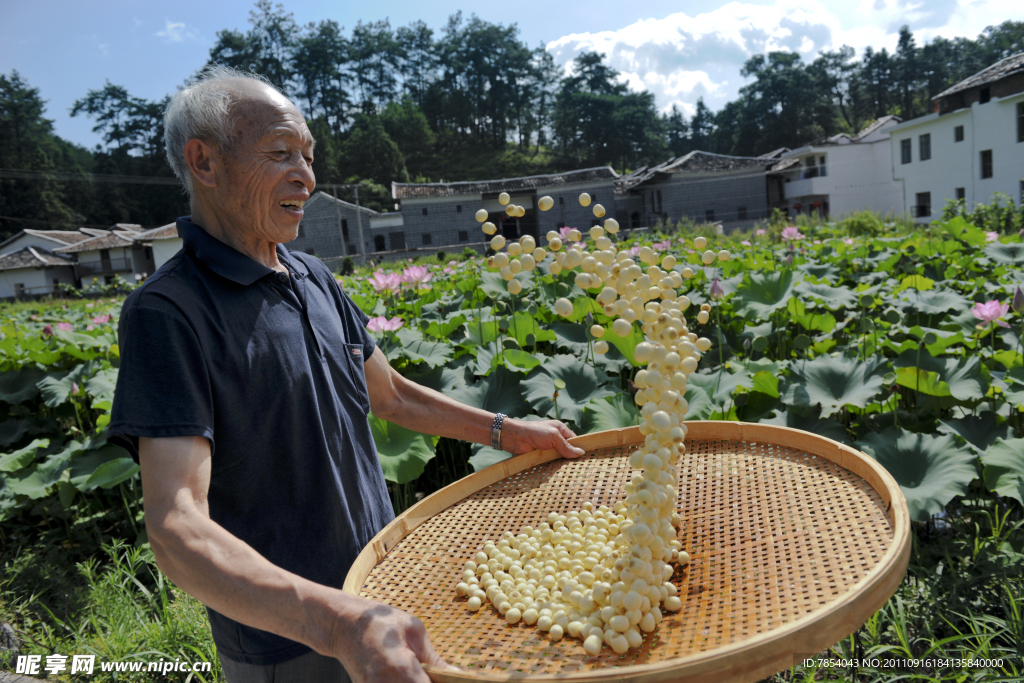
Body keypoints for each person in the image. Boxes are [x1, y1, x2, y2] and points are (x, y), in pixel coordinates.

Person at [106, 66, 585, 683]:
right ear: (204, 161)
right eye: (281, 154)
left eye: (308, 156)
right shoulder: (169, 312)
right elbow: (176, 527)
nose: (306, 176)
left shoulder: (311, 277)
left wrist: (506, 430)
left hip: (381, 592)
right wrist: (336, 623)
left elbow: (389, 395)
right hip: (292, 640)